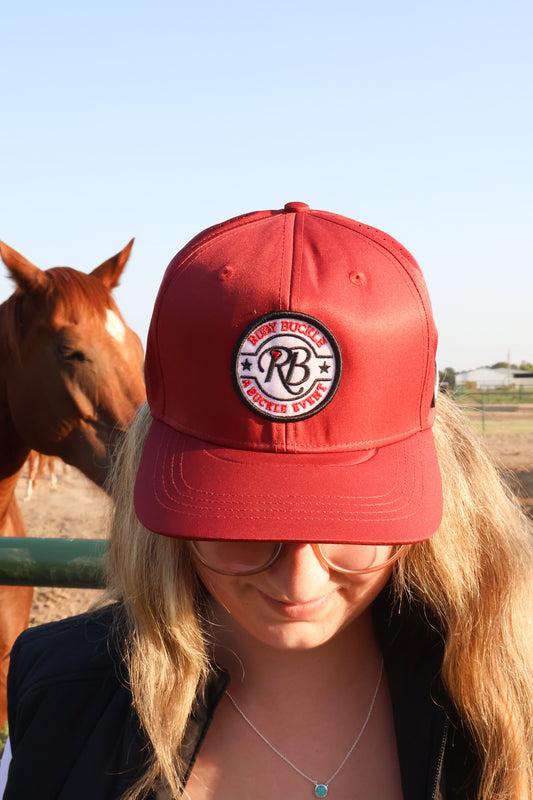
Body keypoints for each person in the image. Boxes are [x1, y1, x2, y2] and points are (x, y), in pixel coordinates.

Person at [2, 202, 533, 800]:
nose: (299, 579)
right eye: (240, 517)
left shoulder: (508, 700)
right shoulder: (55, 700)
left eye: (349, 517)